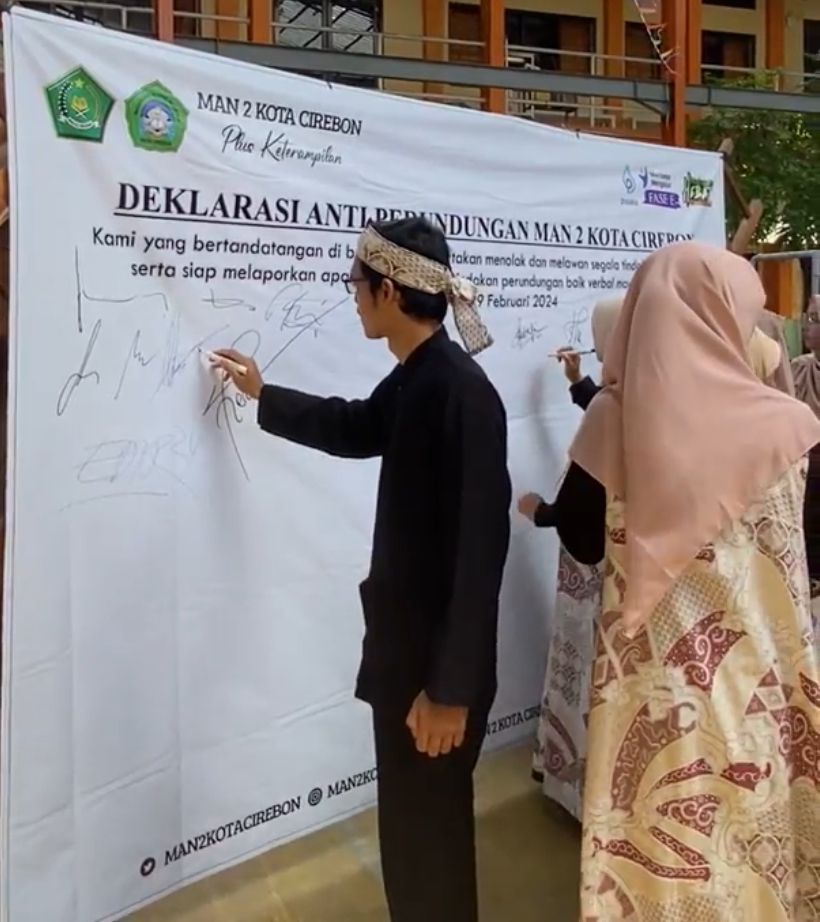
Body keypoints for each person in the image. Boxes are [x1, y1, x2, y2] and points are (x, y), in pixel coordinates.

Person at [211, 217, 511, 922]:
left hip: (436, 677)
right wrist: (264, 395)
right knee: (410, 835)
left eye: (356, 283)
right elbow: (356, 427)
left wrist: (450, 691)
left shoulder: (461, 393)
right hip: (408, 657)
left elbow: (479, 555)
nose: (352, 296)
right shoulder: (417, 378)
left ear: (389, 291)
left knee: (431, 841)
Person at [544, 241, 820, 920]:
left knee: (664, 857)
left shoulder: (612, 420)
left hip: (653, 699)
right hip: (764, 684)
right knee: (758, 851)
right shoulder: (791, 424)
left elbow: (581, 539)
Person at [520, 296, 622, 820]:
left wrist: (540, 512)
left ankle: (581, 793)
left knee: (583, 677)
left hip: (595, 577)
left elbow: (585, 501)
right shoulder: (656, 393)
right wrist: (579, 383)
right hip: (630, 576)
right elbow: (612, 422)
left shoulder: (615, 407)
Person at [791, 294, 820, 633]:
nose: (808, 326)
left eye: (816, 319)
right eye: (808, 317)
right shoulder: (798, 367)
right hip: (802, 462)